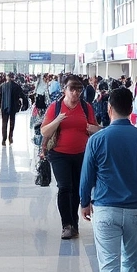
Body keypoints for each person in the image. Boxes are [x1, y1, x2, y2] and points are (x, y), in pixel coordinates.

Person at [79, 87, 137, 272]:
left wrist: (84, 202)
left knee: (109, 265)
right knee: (132, 263)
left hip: (105, 210)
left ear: (109, 109)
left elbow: (87, 177)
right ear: (131, 109)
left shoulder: (96, 140)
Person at [40, 75, 101, 240]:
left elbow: (97, 129)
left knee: (76, 189)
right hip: (59, 154)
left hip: (82, 154)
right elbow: (44, 131)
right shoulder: (56, 107)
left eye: (79, 89)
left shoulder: (86, 107)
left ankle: (74, 223)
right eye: (72, 89)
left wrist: (93, 129)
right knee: (64, 187)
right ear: (64, 90)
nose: (76, 93)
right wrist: (58, 120)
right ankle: (66, 224)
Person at [0, 72, 26, 146]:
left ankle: (3, 139)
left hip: (4, 107)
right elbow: (23, 95)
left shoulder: (2, 86)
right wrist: (24, 104)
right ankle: (10, 138)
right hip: (13, 107)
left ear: (7, 77)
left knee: (4, 123)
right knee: (12, 123)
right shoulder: (17, 86)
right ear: (13, 77)